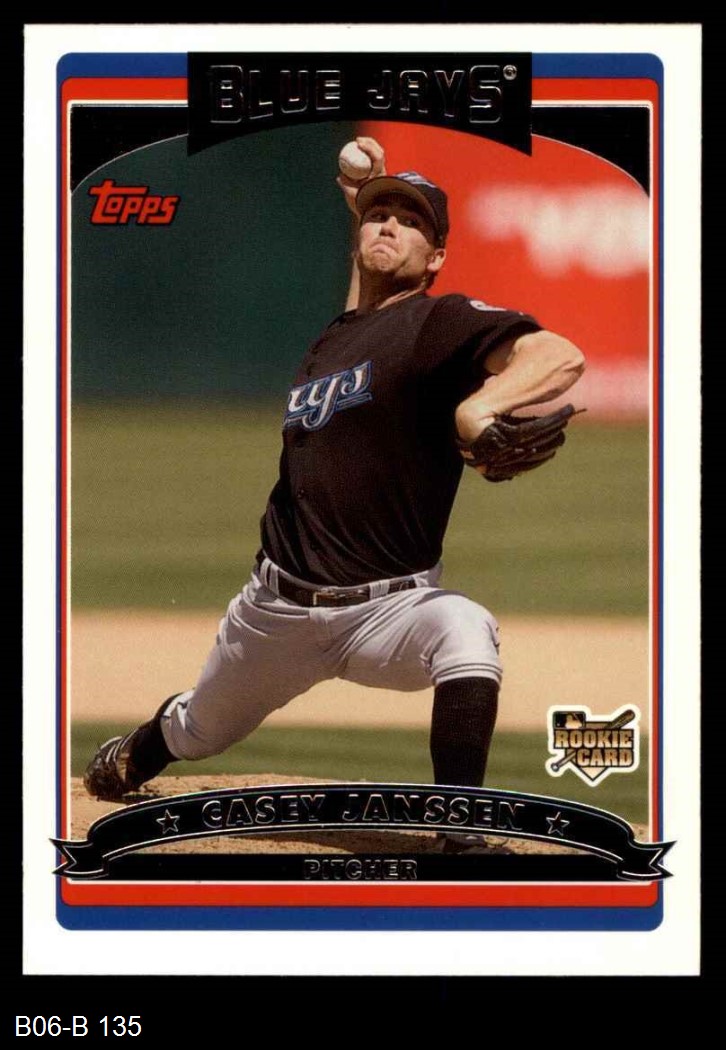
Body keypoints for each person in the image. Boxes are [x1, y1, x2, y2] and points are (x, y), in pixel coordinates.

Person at [84, 137, 585, 850]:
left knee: (466, 629)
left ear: (437, 258)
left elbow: (559, 355)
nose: (390, 226)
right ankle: (135, 753)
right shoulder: (338, 336)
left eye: (411, 222)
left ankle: (460, 827)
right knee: (198, 730)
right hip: (275, 614)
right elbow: (366, 298)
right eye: (380, 216)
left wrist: (480, 406)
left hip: (391, 611)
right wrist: (364, 207)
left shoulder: (437, 323)